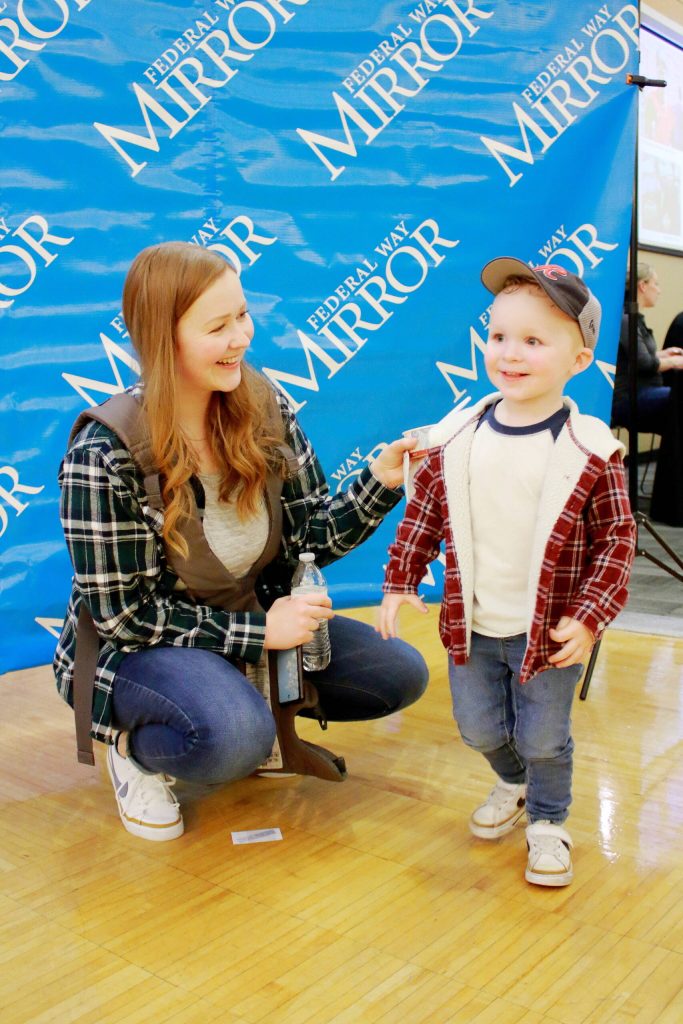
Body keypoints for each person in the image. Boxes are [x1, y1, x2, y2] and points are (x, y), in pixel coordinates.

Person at [54, 241, 428, 842]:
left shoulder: (263, 406)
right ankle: (136, 751)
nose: (242, 337)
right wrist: (263, 634)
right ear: (161, 337)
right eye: (218, 326)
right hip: (135, 652)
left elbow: (312, 535)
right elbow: (123, 614)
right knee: (231, 737)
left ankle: (255, 715)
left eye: (243, 315)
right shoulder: (103, 455)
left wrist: (381, 483)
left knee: (396, 673)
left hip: (244, 624)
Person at [378, 259, 636, 887]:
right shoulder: (457, 435)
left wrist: (590, 614)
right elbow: (426, 514)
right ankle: (512, 783)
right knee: (479, 727)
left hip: (550, 631)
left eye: (533, 341)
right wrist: (398, 579)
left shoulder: (591, 450)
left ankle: (549, 819)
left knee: (545, 734)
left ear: (578, 361)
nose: (510, 354)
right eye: (498, 337)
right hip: (473, 624)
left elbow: (616, 541)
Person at [611, 262, 683, 436]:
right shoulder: (627, 320)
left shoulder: (632, 319)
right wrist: (674, 361)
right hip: (630, 398)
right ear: (643, 286)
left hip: (643, 392)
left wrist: (663, 354)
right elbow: (644, 363)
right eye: (655, 284)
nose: (659, 290)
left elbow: (636, 358)